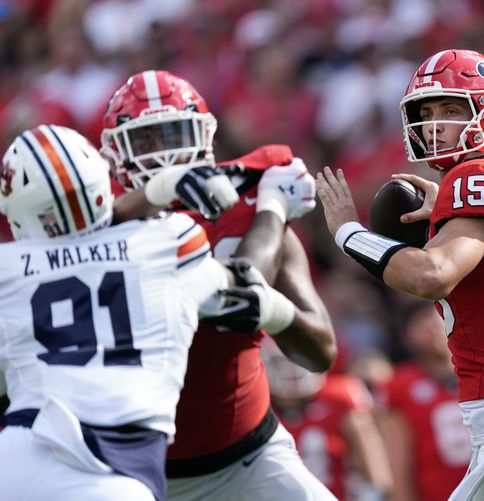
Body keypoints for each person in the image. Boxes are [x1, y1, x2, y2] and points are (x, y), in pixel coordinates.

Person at [317, 49, 484, 501]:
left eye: (450, 109)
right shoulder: (482, 185)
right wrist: (449, 206)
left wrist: (348, 232)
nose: (434, 125)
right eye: (426, 113)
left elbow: (432, 275)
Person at [0, 125, 291, 500]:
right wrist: (272, 206)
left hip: (17, 455)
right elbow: (250, 289)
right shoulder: (166, 241)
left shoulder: (7, 268)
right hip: (111, 474)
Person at [101, 70, 338, 500]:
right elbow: (94, 221)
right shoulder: (96, 228)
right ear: (116, 153)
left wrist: (275, 310)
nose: (166, 155)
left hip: (250, 455)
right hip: (130, 474)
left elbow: (320, 351)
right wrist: (162, 191)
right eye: (147, 142)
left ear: (205, 135)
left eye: (176, 134)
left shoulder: (246, 211)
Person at [264, 340, 394, 500]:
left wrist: (378, 492)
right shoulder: (259, 407)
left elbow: (372, 462)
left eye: (299, 360)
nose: (292, 371)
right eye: (281, 363)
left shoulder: (341, 395)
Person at [378, 304, 471, 501]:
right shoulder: (400, 386)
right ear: (408, 336)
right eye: (422, 323)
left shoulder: (482, 371)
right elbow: (397, 461)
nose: (433, 327)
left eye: (438, 319)